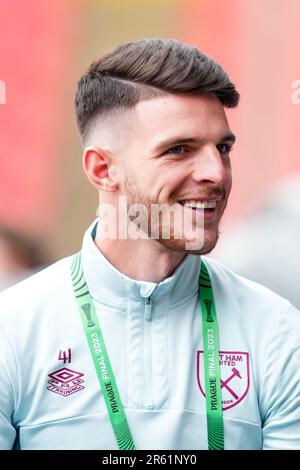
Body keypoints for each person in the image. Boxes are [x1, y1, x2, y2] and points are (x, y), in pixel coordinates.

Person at [0, 38, 299, 451]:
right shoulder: (12, 330)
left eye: (223, 148)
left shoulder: (278, 331)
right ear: (103, 169)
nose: (216, 172)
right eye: (179, 149)